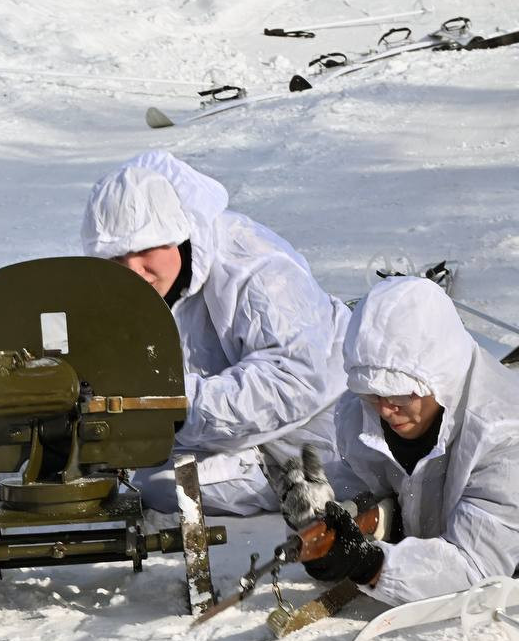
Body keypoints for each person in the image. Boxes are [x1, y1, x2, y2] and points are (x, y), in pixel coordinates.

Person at [80, 150, 352, 516]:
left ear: (176, 232)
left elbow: (294, 379)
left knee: (159, 488)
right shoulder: (138, 284)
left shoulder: (256, 269)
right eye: (114, 258)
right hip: (219, 434)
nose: (132, 270)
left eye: (143, 248)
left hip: (318, 433)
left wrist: (168, 407)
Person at [278, 276, 519, 606]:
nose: (387, 409)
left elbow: (477, 570)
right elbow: (366, 486)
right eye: (373, 393)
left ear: (443, 374)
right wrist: (322, 514)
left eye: (402, 394)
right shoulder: (362, 408)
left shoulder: (504, 434)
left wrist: (371, 566)